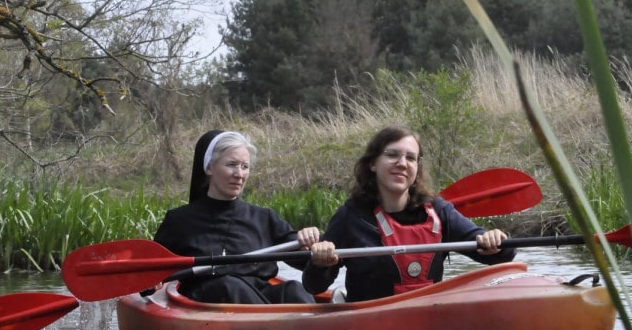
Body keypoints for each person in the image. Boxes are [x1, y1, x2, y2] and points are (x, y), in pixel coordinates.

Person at [303, 125, 516, 302]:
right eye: (392, 155)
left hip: (427, 320)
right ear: (373, 164)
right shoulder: (351, 217)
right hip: (370, 325)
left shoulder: (439, 212)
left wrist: (497, 241)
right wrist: (319, 263)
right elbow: (314, 285)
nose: (402, 164)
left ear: (417, 167)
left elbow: (501, 257)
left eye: (411, 158)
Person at [154, 130, 320, 304]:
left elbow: (312, 271)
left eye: (244, 167)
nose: (239, 174)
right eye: (232, 164)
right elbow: (152, 273)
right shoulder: (179, 220)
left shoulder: (265, 218)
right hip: (207, 303)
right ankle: (272, 328)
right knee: (229, 285)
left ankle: (309, 327)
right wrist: (152, 281)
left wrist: (317, 249)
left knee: (294, 289)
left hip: (258, 297)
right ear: (209, 167)